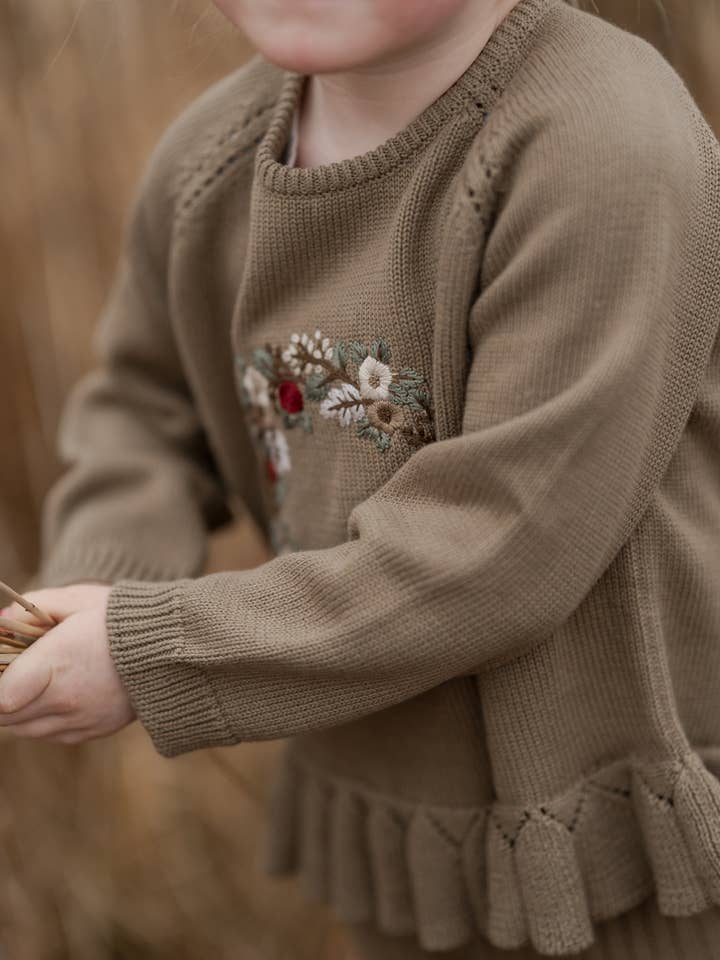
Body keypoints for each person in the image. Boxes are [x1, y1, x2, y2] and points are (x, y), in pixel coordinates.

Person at [2, 0, 720, 956]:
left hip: (629, 856)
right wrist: (83, 596)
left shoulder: (601, 145)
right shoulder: (208, 165)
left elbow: (499, 546)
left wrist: (154, 653)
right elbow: (145, 407)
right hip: (401, 833)